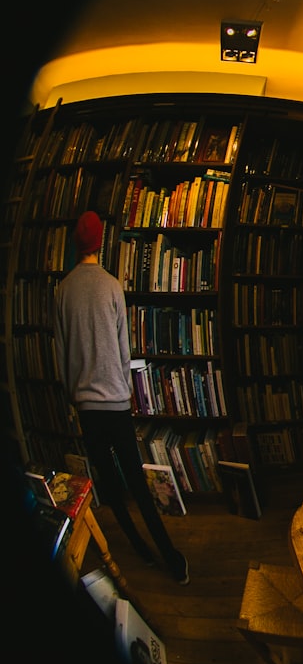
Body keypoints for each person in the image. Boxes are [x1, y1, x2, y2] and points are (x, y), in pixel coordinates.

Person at [53, 210, 189, 585]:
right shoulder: (112, 285)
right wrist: (124, 392)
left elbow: (61, 354)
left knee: (110, 486)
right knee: (135, 481)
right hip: (115, 401)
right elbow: (123, 349)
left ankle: (138, 549)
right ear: (100, 242)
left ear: (75, 244)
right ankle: (170, 559)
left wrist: (73, 397)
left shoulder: (63, 290)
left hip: (85, 405)